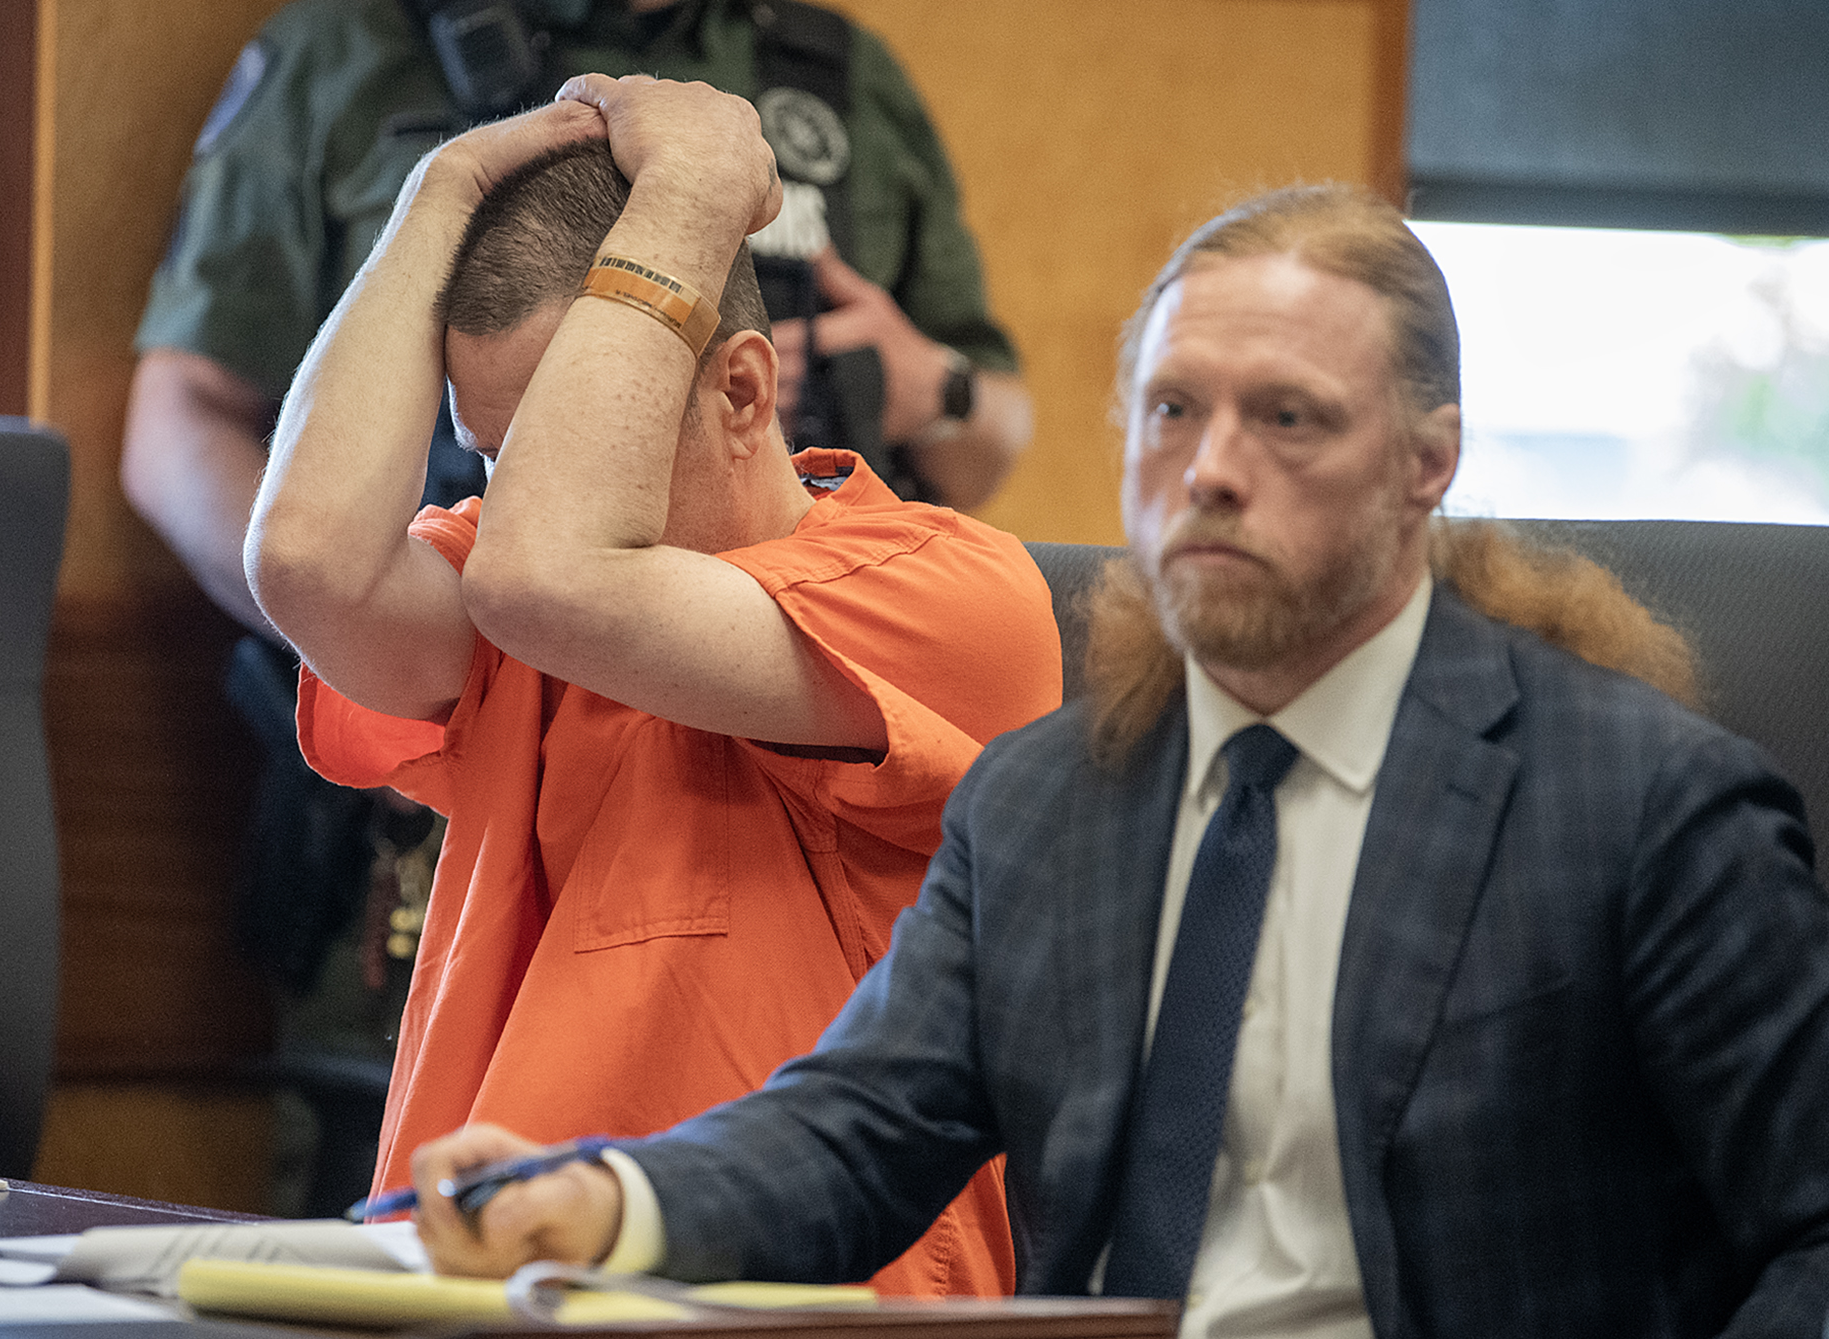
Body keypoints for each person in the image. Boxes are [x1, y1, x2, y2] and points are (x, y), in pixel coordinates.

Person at [407, 184, 1829, 1337]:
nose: (1209, 466)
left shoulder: (1647, 811)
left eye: (1287, 417)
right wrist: (597, 1199)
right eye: (1171, 410)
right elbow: (854, 1128)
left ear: (1425, 464)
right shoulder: (1047, 802)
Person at [120, 0, 1031, 1218]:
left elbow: (554, 585)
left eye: (576, 424)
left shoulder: (947, 591)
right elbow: (309, 566)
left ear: (744, 394)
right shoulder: (521, 587)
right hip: (471, 1277)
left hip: (784, 1297)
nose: (523, 490)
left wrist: (700, 192)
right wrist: (436, 197)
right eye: (497, 453)